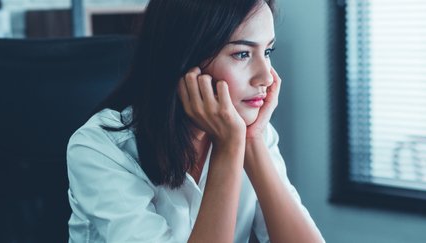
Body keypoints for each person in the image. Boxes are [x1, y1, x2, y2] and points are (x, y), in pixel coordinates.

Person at [66, 0, 324, 242]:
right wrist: (229, 148)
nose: (266, 78)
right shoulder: (99, 148)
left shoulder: (252, 131)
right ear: (186, 60)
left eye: (267, 51)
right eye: (242, 54)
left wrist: (252, 141)